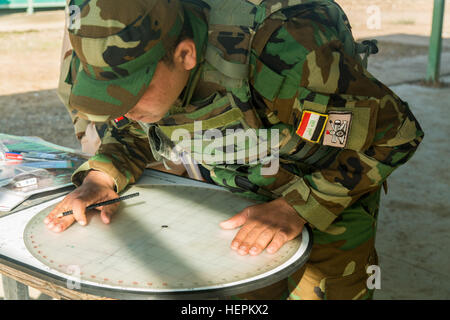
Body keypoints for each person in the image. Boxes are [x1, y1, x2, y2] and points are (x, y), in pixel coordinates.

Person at [46, 0, 424, 300]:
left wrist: (297, 205)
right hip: (234, 197)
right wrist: (101, 176)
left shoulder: (285, 52)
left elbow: (396, 134)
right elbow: (135, 126)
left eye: (133, 93)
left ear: (185, 55)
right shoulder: (127, 58)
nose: (123, 110)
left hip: (328, 190)